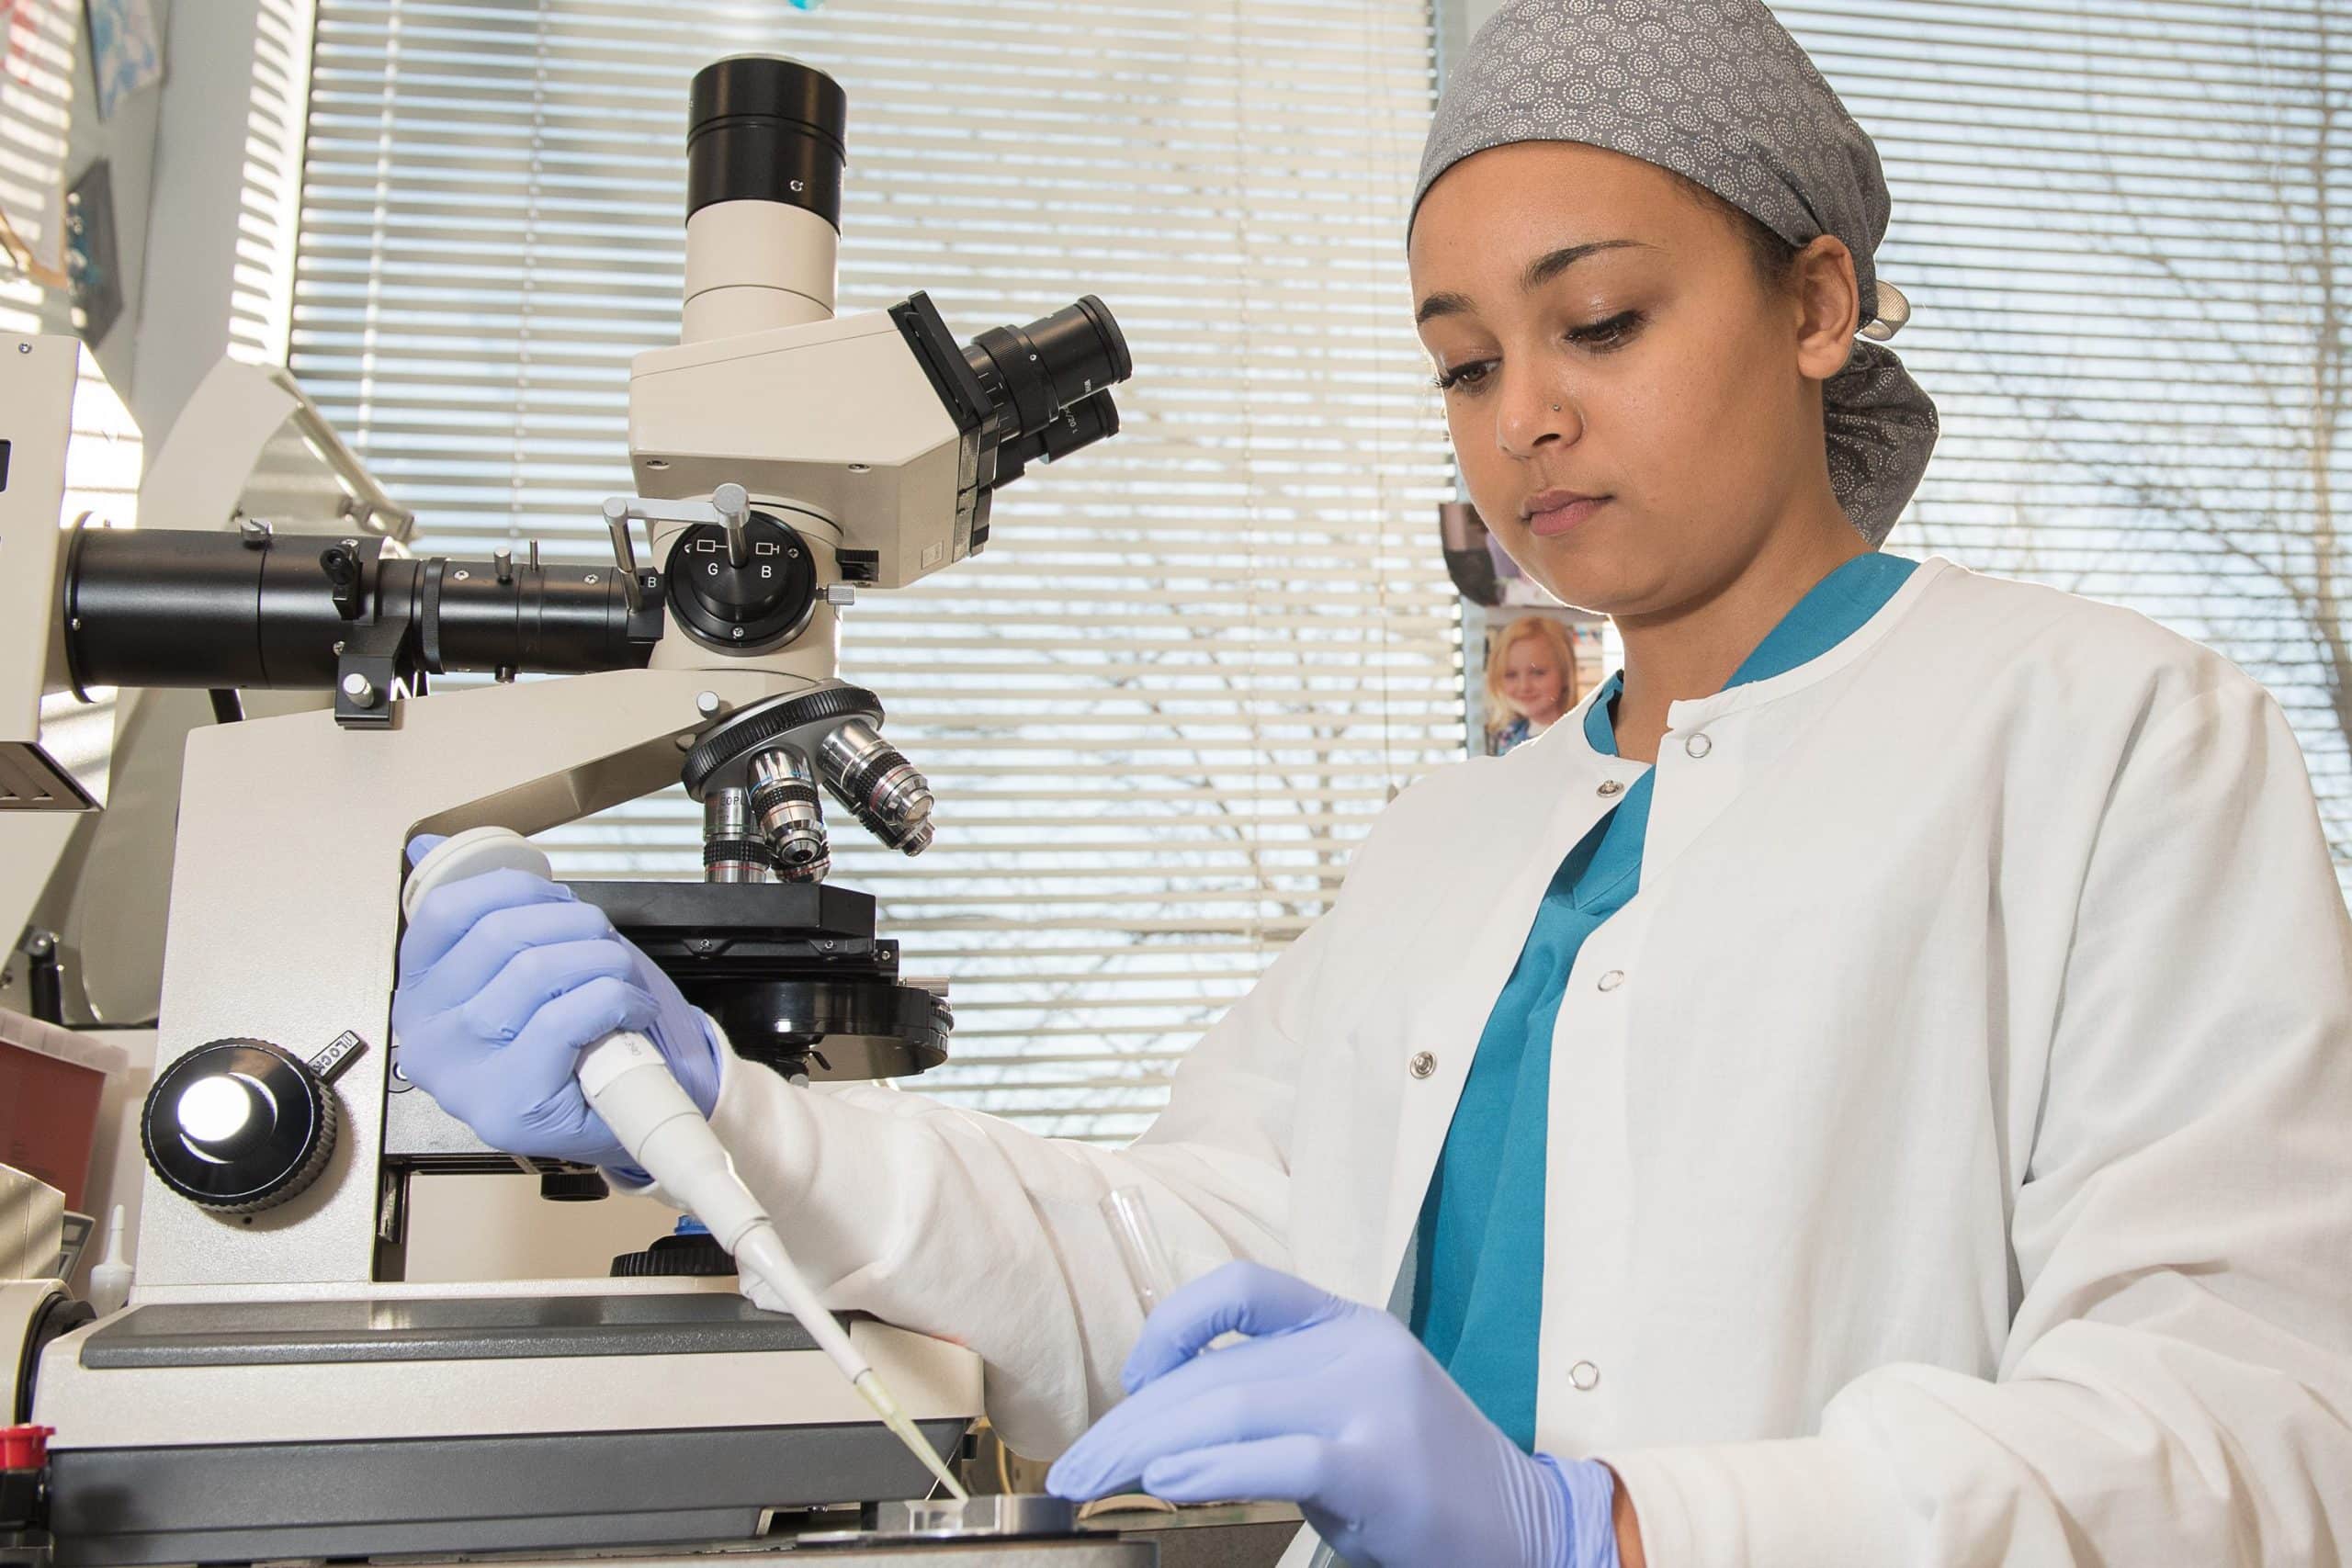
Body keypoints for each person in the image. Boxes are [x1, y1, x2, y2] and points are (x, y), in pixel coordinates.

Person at [390, 2, 2352, 1564]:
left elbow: (2251, 1430)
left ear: (1815, 305)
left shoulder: (2111, 736)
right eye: (1461, 360)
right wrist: (718, 1117)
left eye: (1597, 321)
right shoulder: (1461, 834)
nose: (1528, 415)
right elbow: (1181, 1252)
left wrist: (1609, 1530)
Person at [1487, 615, 1582, 754]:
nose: (1524, 686)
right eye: (1511, 675)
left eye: (1538, 673)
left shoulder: (1581, 739)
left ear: (1566, 674)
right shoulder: (1509, 735)